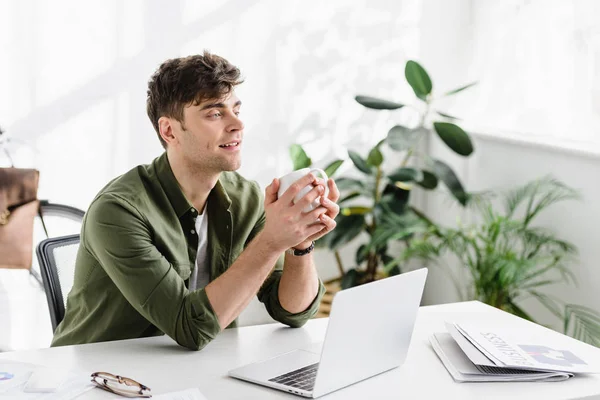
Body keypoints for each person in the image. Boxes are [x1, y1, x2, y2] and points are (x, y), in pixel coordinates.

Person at [51, 51, 340, 350]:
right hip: (94, 379)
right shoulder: (118, 211)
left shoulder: (246, 198)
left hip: (191, 371)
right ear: (169, 131)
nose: (237, 125)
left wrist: (299, 243)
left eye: (236, 110)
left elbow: (292, 311)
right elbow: (189, 328)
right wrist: (271, 241)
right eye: (215, 113)